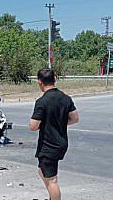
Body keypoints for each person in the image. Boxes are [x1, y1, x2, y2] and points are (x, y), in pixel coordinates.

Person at [29, 68, 79, 200]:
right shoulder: (66, 98)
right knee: (42, 171)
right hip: (61, 142)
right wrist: (59, 123)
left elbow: (33, 126)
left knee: (52, 181)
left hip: (49, 145)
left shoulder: (42, 101)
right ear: (54, 79)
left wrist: (48, 124)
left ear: (40, 82)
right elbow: (75, 118)